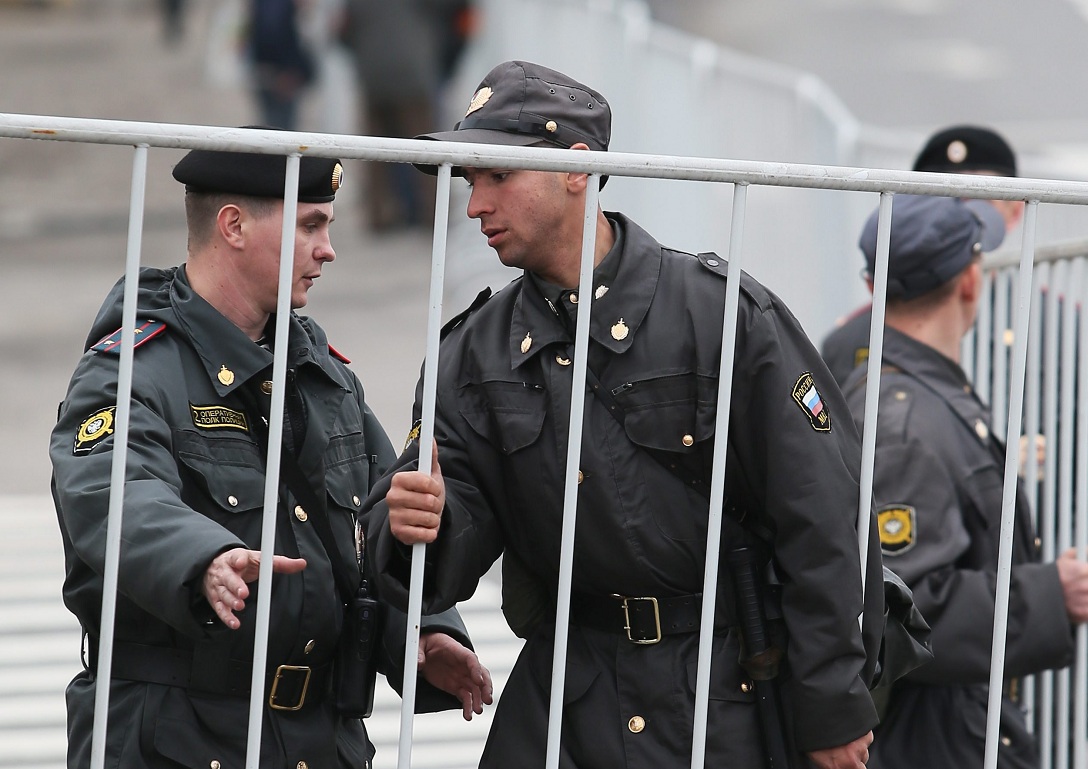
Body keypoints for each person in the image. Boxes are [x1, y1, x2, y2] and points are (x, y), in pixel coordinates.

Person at [363, 60, 883, 769]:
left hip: (722, 697)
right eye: (469, 182)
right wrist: (413, 527)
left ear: (577, 170)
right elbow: (437, 553)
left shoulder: (721, 315)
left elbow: (822, 515)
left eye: (496, 176)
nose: (474, 205)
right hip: (571, 706)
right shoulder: (468, 355)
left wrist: (831, 704)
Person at [49, 141, 493, 768]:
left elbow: (373, 526)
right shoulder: (130, 371)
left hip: (317, 739)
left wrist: (425, 631)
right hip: (179, 737)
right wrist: (202, 558)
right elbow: (111, 491)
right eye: (310, 225)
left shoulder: (321, 374)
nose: (328, 248)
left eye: (328, 225)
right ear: (232, 226)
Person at [841, 194, 1088, 769]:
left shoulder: (916, 392)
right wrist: (1051, 595)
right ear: (970, 281)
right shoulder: (903, 417)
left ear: (873, 286)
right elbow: (903, 610)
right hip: (932, 741)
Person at [821, 125, 1023, 387]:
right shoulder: (848, 343)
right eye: (938, 204)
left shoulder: (1064, 332)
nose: (958, 220)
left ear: (1015, 212)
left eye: (979, 204)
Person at [338, 0, 473, 232]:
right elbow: (456, 12)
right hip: (415, 73)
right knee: (426, 150)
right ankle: (433, 215)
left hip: (373, 76)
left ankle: (379, 216)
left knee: (375, 151)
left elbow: (343, 33)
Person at [248, 0, 316, 131]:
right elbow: (272, 31)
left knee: (275, 129)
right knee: (279, 132)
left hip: (275, 71)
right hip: (281, 74)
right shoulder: (277, 6)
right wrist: (288, 70)